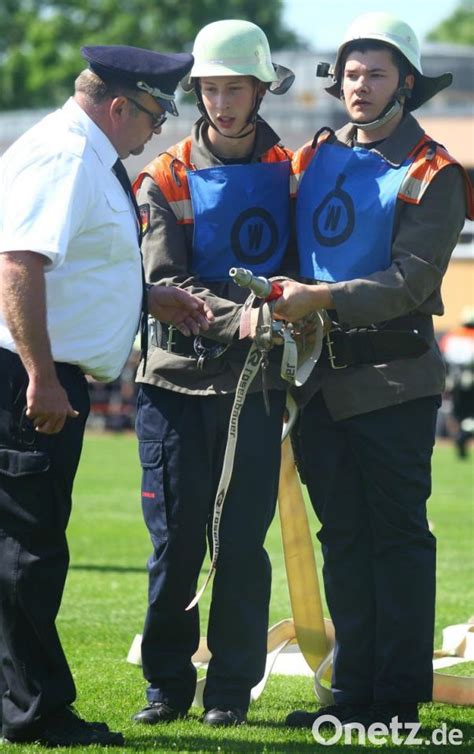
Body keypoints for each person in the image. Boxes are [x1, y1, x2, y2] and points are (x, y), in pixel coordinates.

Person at [0, 43, 213, 747]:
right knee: (28, 552)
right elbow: (20, 264)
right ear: (120, 104)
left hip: (41, 375)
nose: (158, 128)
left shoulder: (84, 152)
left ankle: (24, 704)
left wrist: (147, 296)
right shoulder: (66, 154)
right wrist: (40, 374)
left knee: (28, 547)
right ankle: (36, 714)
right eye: (155, 112)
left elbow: (72, 266)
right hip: (29, 381)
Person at [272, 12, 473, 731]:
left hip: (393, 383)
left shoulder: (434, 170)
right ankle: (353, 692)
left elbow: (413, 281)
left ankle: (397, 699)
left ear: (407, 84)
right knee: (344, 539)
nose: (358, 85)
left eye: (376, 73)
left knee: (397, 540)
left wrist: (320, 297)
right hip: (318, 381)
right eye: (351, 73)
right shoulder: (310, 157)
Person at [132, 19, 295, 727]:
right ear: (195, 91)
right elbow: (164, 280)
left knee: (240, 548)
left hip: (256, 390)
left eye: (235, 87)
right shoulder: (163, 174)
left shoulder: (299, 173)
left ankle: (229, 690)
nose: (222, 102)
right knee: (176, 543)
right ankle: (165, 687)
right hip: (171, 385)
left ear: (261, 89)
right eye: (210, 88)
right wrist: (242, 319)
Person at [439, 308, 474, 459]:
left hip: (454, 382)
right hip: (471, 382)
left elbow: (442, 356)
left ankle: (461, 436)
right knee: (470, 415)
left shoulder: (451, 336)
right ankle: (464, 436)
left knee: (457, 414)